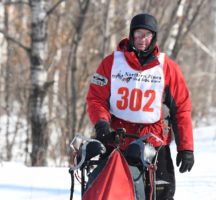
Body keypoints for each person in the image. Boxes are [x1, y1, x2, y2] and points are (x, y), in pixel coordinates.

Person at [86, 13, 194, 200]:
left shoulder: (167, 68)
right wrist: (102, 123)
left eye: (147, 35)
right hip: (116, 139)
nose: (142, 40)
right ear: (131, 35)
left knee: (162, 195)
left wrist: (186, 148)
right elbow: (96, 98)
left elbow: (181, 109)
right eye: (138, 34)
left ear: (154, 37)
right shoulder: (111, 63)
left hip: (154, 142)